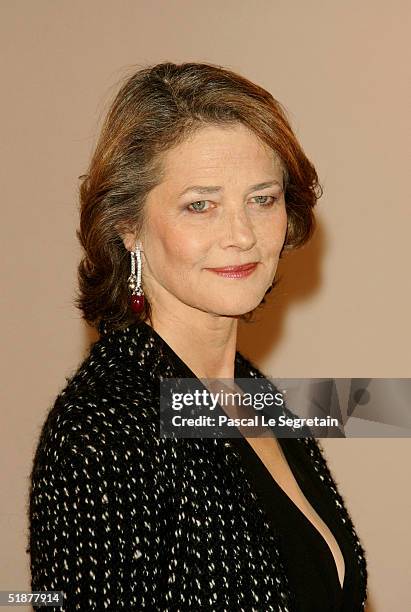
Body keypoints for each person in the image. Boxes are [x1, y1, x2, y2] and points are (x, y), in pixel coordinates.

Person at [27, 61, 368, 611]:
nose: (241, 235)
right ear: (128, 224)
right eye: (200, 205)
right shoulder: (101, 429)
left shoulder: (258, 398)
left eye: (262, 199)